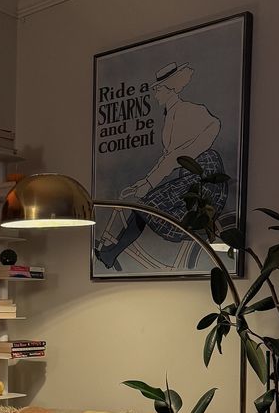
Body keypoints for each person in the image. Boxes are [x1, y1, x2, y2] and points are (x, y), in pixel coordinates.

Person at [95, 61, 228, 271]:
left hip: (203, 176)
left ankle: (111, 253)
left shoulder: (186, 110)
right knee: (147, 208)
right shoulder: (172, 114)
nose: (155, 93)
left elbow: (184, 148)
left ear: (170, 89)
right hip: (190, 174)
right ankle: (111, 253)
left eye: (157, 89)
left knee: (147, 208)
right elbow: (170, 156)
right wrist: (145, 182)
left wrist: (192, 151)